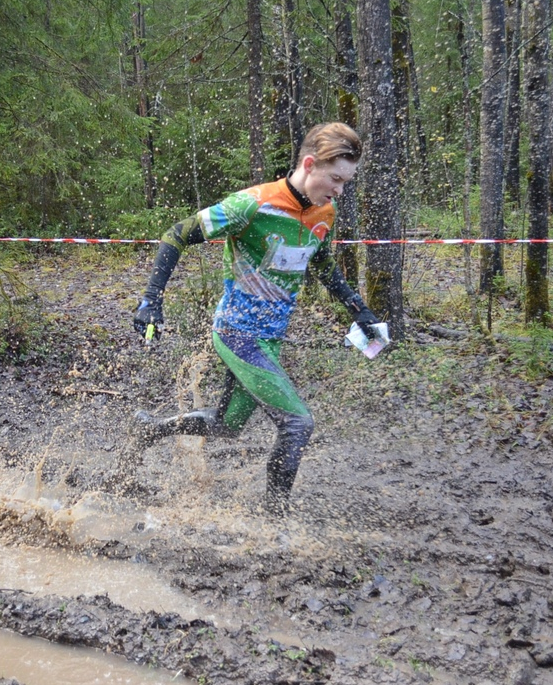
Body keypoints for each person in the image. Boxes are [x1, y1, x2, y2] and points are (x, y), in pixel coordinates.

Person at [123, 122, 381, 514]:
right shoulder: (252, 204)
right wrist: (151, 300)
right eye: (335, 179)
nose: (340, 190)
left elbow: (322, 263)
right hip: (237, 333)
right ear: (309, 164)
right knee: (297, 423)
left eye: (346, 182)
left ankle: (149, 428)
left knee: (226, 425)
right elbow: (177, 234)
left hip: (270, 340)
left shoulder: (324, 212)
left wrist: (359, 310)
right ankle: (275, 520)